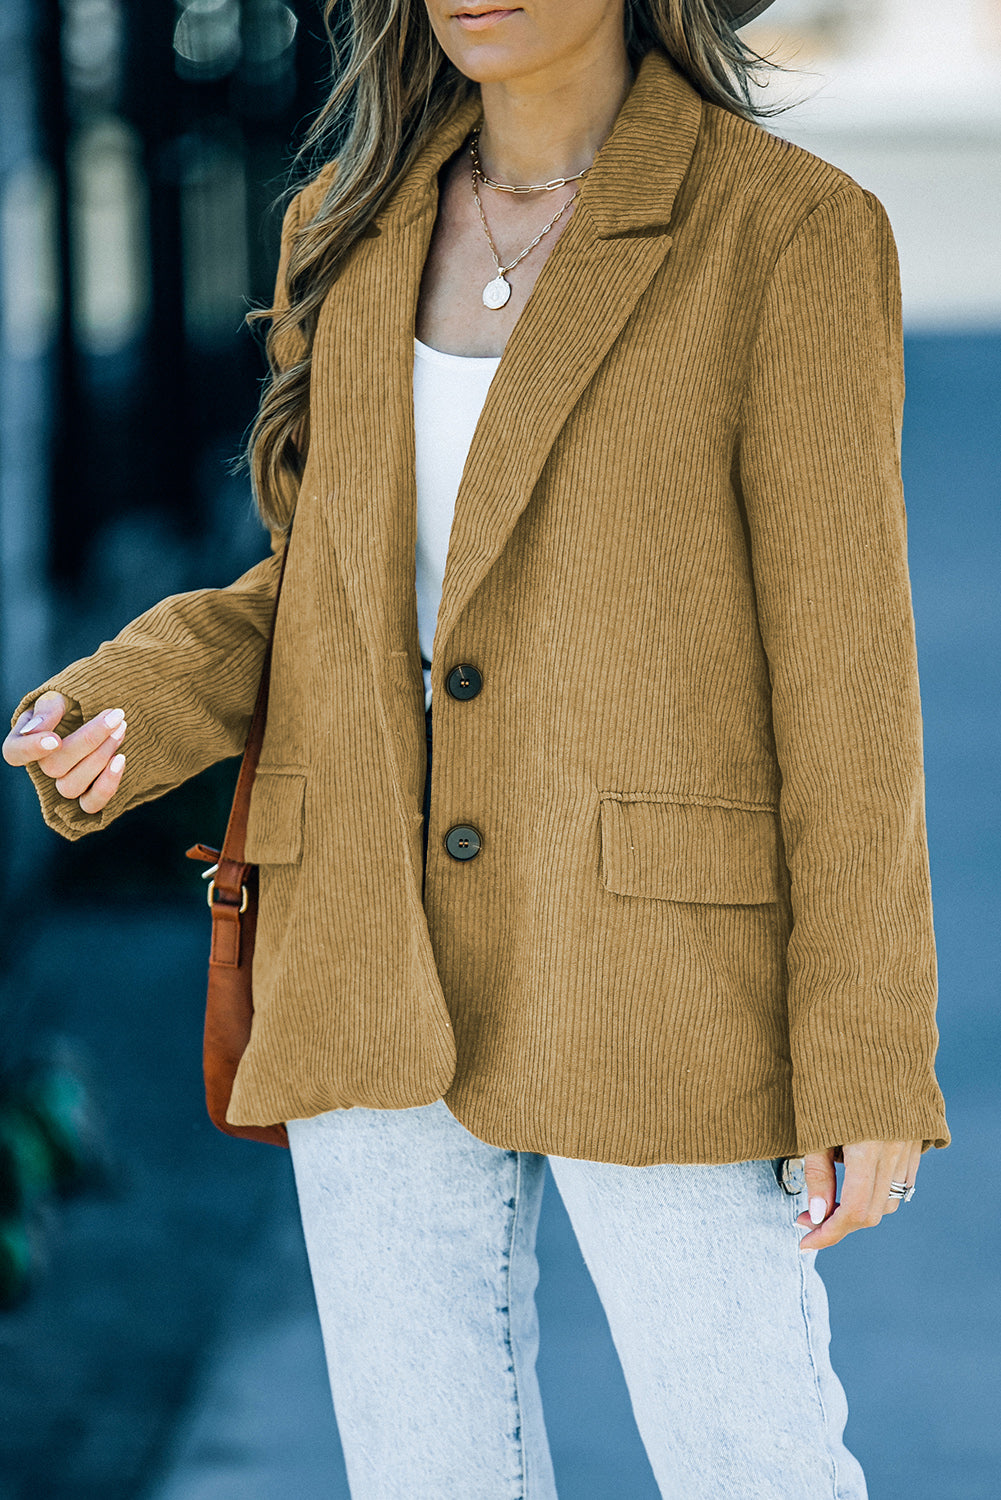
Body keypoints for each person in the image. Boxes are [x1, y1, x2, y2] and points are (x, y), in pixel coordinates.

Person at [5, 2, 950, 1495]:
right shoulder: (348, 219)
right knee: (421, 1466)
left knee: (747, 1453)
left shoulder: (785, 232)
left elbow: (845, 675)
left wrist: (866, 1048)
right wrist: (141, 695)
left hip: (654, 961)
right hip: (362, 936)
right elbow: (319, 584)